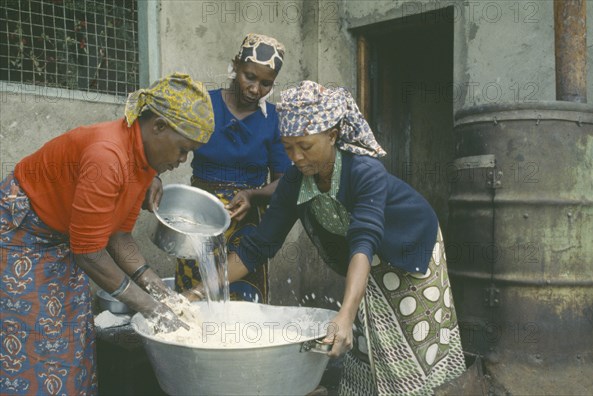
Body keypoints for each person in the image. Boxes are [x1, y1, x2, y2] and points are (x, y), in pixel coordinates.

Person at [187, 81, 466, 395]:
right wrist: (199, 291)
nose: (296, 157)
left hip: (408, 247)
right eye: (288, 147)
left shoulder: (364, 171)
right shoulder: (295, 181)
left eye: (305, 146)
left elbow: (363, 239)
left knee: (408, 340)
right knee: (365, 342)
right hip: (366, 260)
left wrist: (344, 315)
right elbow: (259, 246)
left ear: (332, 135)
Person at [0, 73, 214, 395]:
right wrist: (150, 306)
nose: (182, 160)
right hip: (23, 235)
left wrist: (155, 286)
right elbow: (88, 251)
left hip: (63, 237)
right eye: (183, 149)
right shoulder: (108, 156)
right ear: (157, 127)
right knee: (35, 339)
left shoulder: (143, 162)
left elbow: (117, 237)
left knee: (71, 334)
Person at [146, 33, 290, 302]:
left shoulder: (274, 121)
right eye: (249, 76)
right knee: (193, 299)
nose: (255, 89)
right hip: (199, 217)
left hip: (246, 222)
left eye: (266, 83)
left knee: (243, 301)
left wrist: (253, 195)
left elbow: (285, 182)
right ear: (235, 66)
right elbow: (160, 139)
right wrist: (152, 176)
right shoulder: (205, 105)